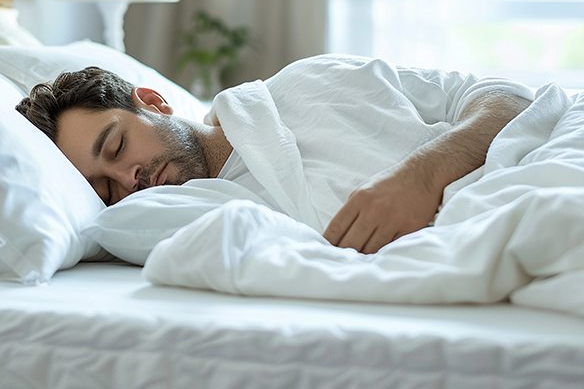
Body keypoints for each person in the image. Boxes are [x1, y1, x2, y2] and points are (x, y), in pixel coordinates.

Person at [16, 55, 532, 254]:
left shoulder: (311, 82)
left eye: (117, 145)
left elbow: (508, 98)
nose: (128, 179)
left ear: (152, 102)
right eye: (103, 187)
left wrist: (422, 176)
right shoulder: (173, 223)